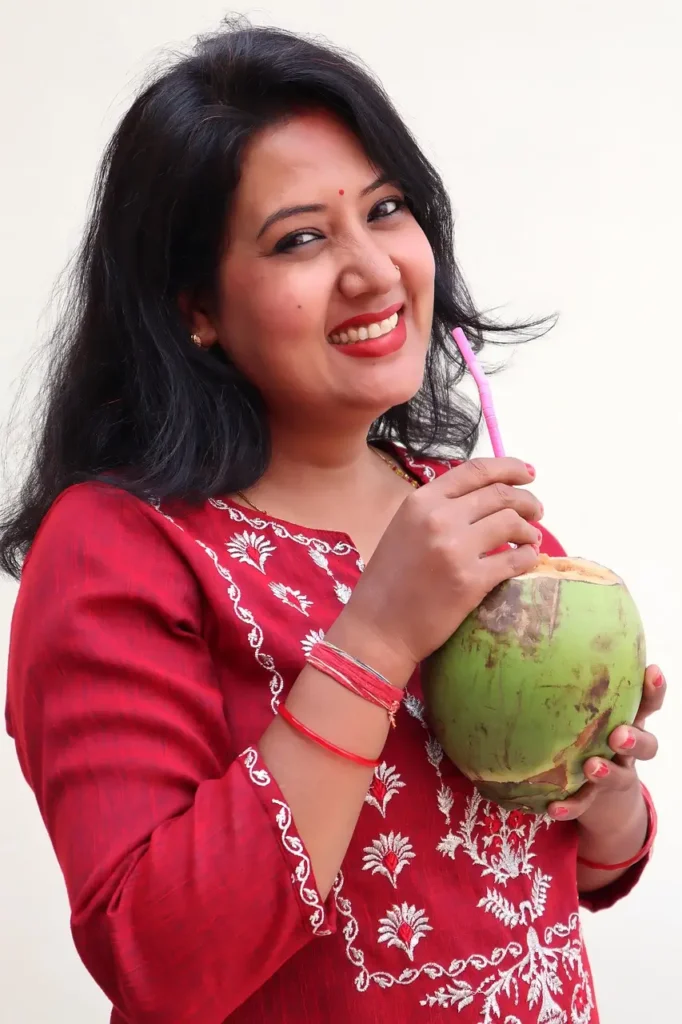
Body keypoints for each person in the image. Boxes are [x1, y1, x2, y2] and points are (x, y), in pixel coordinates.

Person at [1, 18, 663, 1024]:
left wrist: (603, 796)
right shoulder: (116, 547)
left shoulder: (459, 509)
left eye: (386, 210)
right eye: (300, 238)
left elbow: (550, 872)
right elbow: (159, 963)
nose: (373, 271)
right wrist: (375, 637)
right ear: (196, 306)